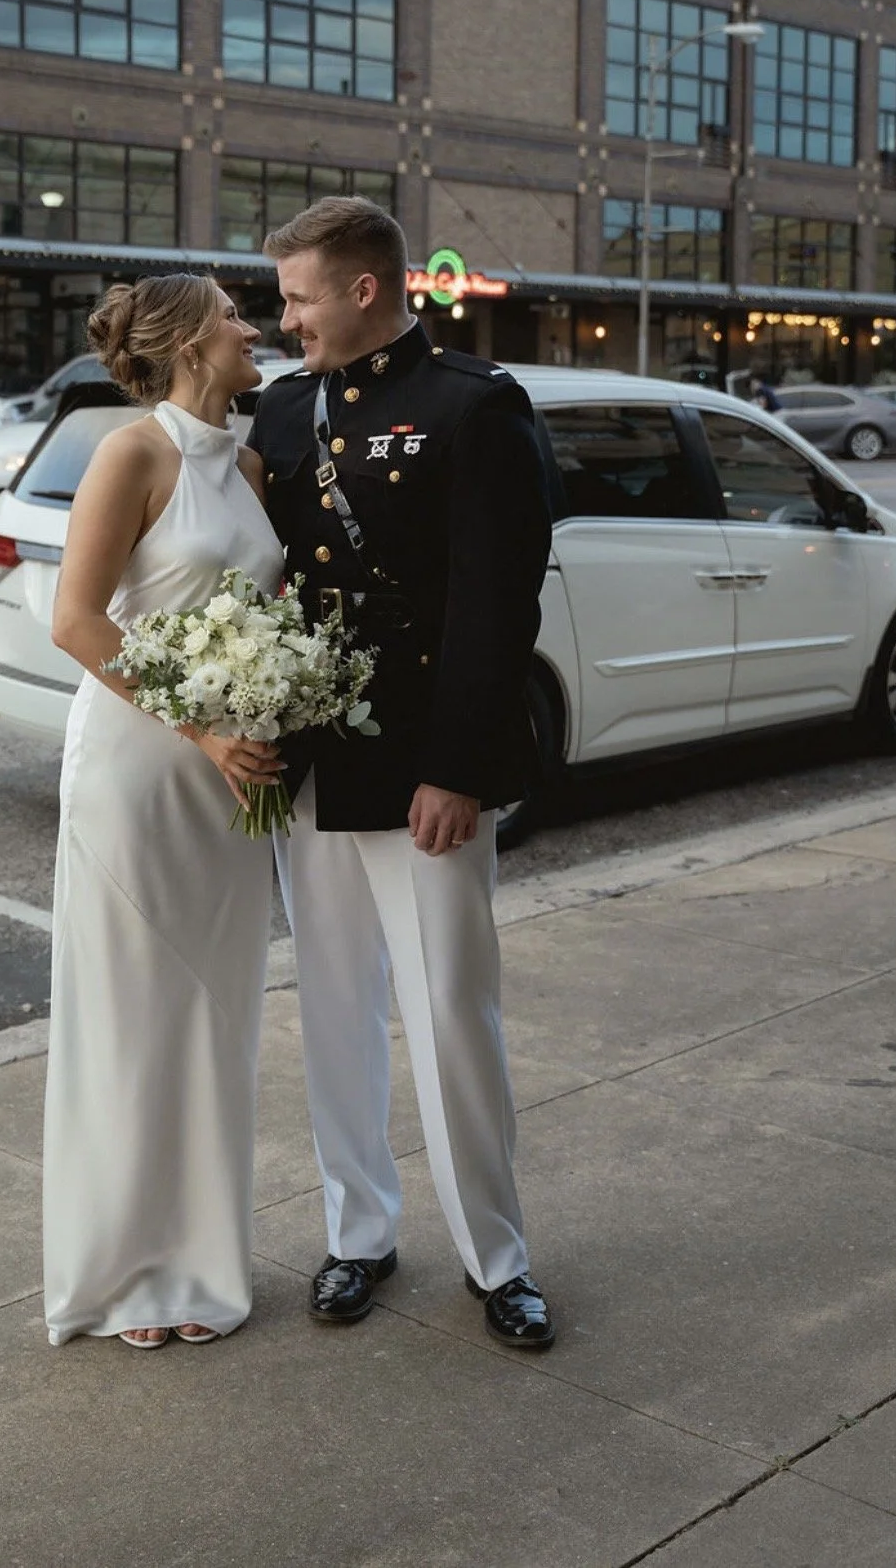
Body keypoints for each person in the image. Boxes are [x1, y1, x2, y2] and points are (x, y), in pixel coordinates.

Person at [248, 196, 556, 1347]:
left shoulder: (473, 407)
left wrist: (458, 768)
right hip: (312, 761)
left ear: (364, 289)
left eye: (298, 298)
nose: (286, 321)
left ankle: (498, 1255)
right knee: (333, 1005)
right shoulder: (282, 414)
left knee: (448, 1011)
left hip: (425, 766)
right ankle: (358, 1233)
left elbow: (497, 601)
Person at [42, 274, 284, 1350]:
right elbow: (77, 623)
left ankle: (200, 1263)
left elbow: (267, 611)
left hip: (235, 774)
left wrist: (282, 695)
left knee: (215, 1019)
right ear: (190, 339)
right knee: (134, 1020)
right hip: (143, 767)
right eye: (236, 314)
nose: (255, 328)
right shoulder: (130, 453)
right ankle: (128, 1269)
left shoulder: (257, 465)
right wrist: (203, 727)